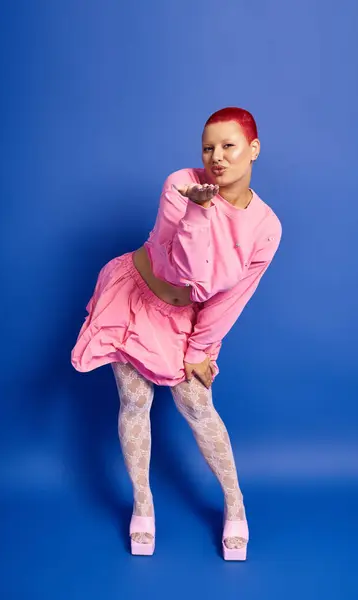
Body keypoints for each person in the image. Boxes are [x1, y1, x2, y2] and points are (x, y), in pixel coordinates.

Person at [71, 107, 282, 560]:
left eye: (228, 146)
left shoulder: (267, 227)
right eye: (208, 147)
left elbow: (228, 295)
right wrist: (198, 211)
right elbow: (184, 269)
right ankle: (142, 503)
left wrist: (201, 348)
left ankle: (235, 503)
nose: (217, 157)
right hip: (134, 296)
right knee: (135, 401)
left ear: (253, 149)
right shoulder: (179, 185)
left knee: (197, 405)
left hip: (183, 319)